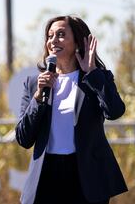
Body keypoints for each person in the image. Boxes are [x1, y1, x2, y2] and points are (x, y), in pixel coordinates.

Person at [15, 15, 127, 204]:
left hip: (86, 177)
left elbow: (114, 111)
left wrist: (92, 73)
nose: (53, 41)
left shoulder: (96, 77)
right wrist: (38, 97)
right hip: (47, 176)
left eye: (60, 34)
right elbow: (23, 138)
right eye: (49, 36)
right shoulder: (35, 83)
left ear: (77, 41)